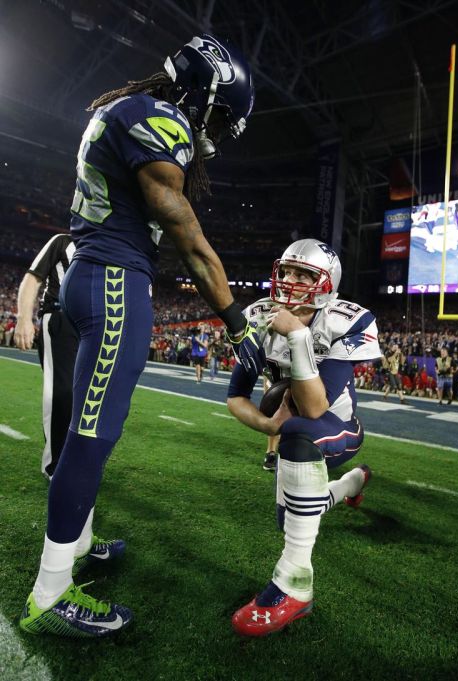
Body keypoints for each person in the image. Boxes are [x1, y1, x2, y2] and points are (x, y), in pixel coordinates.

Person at [20, 33, 265, 639]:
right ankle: (48, 595)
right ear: (201, 94)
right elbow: (191, 243)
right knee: (91, 437)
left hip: (93, 276)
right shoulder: (160, 121)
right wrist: (237, 324)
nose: (214, 128)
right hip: (112, 285)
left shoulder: (127, 109)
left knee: (87, 429)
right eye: (219, 112)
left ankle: (76, 546)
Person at [227, 238, 381, 636]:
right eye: (288, 271)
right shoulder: (259, 315)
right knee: (294, 515)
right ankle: (351, 483)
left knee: (299, 434)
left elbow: (314, 410)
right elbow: (236, 397)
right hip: (296, 429)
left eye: (305, 275)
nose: (292, 281)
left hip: (339, 426)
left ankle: (294, 586)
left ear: (327, 283)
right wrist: (267, 426)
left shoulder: (346, 319)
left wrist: (297, 336)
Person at [14, 234, 78, 479]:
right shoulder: (62, 241)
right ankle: (56, 465)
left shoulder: (107, 247)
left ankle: (78, 459)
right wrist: (24, 318)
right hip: (60, 318)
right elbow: (33, 277)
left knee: (86, 396)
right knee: (62, 392)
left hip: (93, 328)